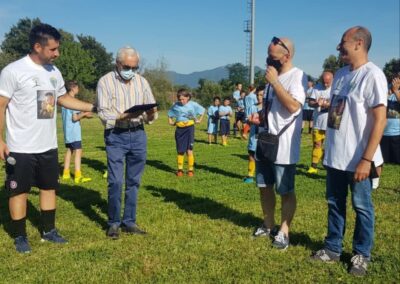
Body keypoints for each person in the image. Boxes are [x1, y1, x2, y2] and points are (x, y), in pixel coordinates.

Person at [0, 23, 96, 253]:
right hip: (20, 146)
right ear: (37, 46)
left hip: (48, 145)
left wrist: (93, 106)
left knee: (48, 187)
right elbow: (1, 106)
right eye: (53, 49)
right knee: (18, 191)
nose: (57, 53)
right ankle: (20, 236)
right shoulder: (13, 71)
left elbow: (62, 99)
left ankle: (49, 231)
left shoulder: (54, 72)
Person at [311, 26, 387, 277]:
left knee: (362, 207)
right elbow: (339, 114)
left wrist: (367, 159)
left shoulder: (373, 75)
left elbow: (379, 120)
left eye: (342, 42)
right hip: (335, 157)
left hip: (359, 160)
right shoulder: (341, 75)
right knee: (334, 204)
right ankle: (332, 248)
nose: (338, 47)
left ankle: (361, 254)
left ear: (358, 43)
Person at [97, 46, 158, 239]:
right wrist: (123, 116)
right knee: (115, 181)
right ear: (117, 63)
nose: (130, 70)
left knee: (134, 181)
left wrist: (150, 113)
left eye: (135, 67)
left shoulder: (142, 82)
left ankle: (129, 221)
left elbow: (152, 110)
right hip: (116, 135)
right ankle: (113, 223)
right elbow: (103, 112)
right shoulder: (105, 81)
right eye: (127, 66)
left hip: (138, 134)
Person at [253, 36, 307, 251]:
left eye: (272, 56)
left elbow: (294, 107)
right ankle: (268, 224)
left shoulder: (297, 76)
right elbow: (273, 109)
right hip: (266, 140)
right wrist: (260, 116)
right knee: (264, 187)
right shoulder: (270, 78)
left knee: (285, 190)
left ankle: (284, 231)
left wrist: (275, 82)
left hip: (284, 146)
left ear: (286, 56)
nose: (268, 59)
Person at [61, 80, 93, 183]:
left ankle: (65, 173)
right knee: (78, 151)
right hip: (74, 133)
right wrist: (84, 114)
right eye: (77, 87)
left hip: (67, 131)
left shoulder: (63, 101)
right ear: (73, 88)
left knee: (70, 150)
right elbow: (75, 118)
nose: (78, 89)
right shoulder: (73, 102)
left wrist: (83, 115)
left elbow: (70, 117)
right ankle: (78, 175)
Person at [168, 88, 205, 176]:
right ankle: (180, 170)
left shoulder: (193, 104)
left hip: (189, 129)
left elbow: (203, 110)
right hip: (179, 130)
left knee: (189, 150)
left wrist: (199, 120)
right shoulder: (176, 105)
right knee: (180, 150)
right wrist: (171, 121)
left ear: (188, 97)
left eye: (183, 99)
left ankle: (190, 170)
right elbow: (170, 113)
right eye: (180, 99)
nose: (181, 101)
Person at [307, 71, 333, 174]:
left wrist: (328, 105)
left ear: (332, 80)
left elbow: (340, 103)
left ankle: (328, 164)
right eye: (324, 82)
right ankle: (313, 167)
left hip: (331, 122)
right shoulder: (316, 87)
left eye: (328, 82)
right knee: (317, 144)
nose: (325, 85)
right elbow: (310, 102)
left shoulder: (336, 87)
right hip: (318, 122)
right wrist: (316, 103)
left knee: (330, 145)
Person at [243, 85, 264, 183]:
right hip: (254, 136)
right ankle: (250, 176)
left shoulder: (268, 107)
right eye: (258, 95)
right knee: (251, 155)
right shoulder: (252, 107)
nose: (259, 97)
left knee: (263, 157)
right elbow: (247, 121)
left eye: (261, 95)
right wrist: (245, 131)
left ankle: (264, 176)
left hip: (265, 136)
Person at [380, 74, 400, 164]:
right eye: (396, 78)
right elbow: (379, 102)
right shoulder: (385, 89)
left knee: (396, 160)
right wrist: (390, 92)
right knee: (385, 160)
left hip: (397, 133)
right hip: (384, 133)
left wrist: (396, 91)